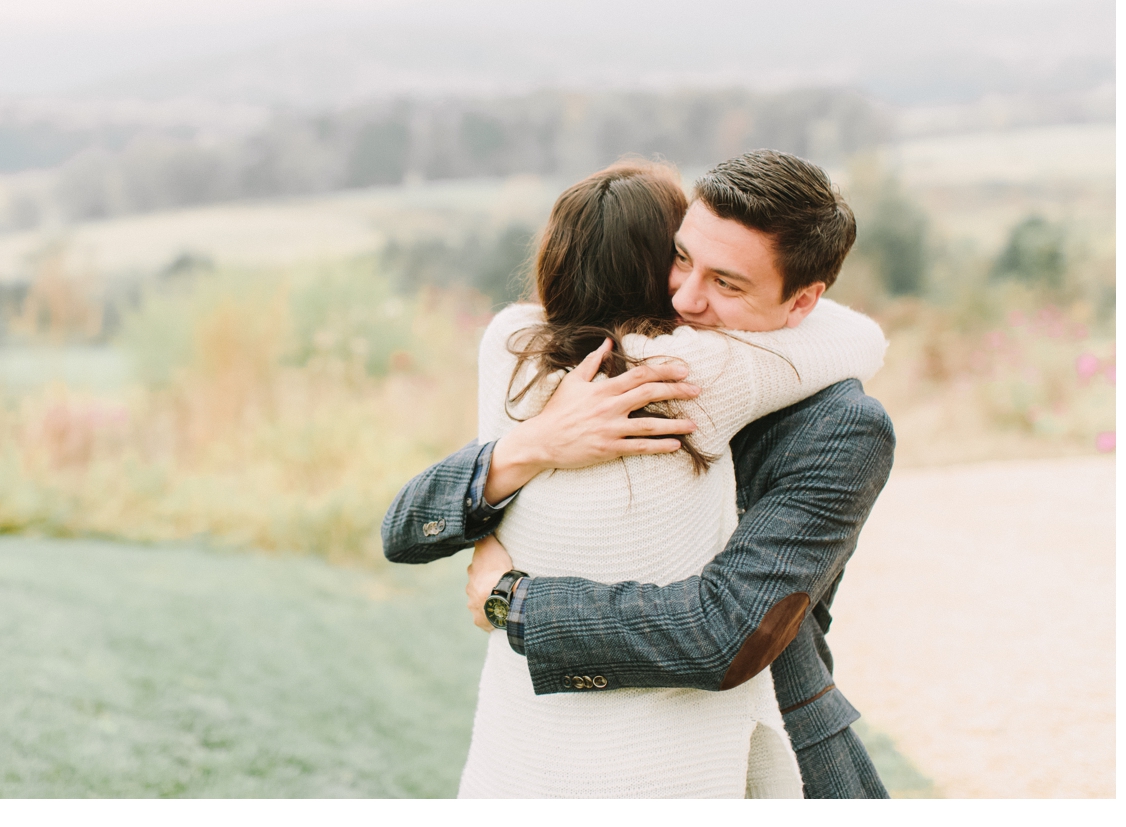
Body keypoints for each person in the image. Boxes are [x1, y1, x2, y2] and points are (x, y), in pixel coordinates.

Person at [383, 149, 896, 799]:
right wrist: (531, 445)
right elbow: (406, 531)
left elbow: (725, 630)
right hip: (587, 757)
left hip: (771, 761)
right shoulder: (601, 370)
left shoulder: (839, 424)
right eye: (681, 257)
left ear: (803, 303)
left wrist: (513, 599)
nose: (684, 296)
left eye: (727, 284)